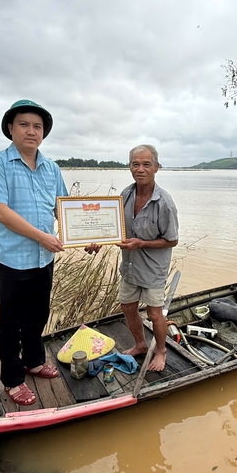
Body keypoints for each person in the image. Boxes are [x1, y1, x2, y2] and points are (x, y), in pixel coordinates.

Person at [0, 99, 68, 406]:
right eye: (24, 124)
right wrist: (43, 236)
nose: (31, 131)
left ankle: (34, 361)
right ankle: (13, 379)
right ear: (10, 128)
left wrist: (88, 236)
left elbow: (63, 210)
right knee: (10, 321)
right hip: (12, 258)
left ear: (43, 133)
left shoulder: (51, 168)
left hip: (44, 259)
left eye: (37, 126)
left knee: (38, 315)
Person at [87, 145, 179, 371]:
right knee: (127, 306)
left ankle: (160, 350)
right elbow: (113, 228)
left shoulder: (164, 203)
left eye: (146, 164)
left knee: (155, 313)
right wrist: (98, 239)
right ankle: (140, 344)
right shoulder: (124, 195)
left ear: (156, 167)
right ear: (129, 167)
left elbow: (172, 240)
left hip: (153, 268)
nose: (140, 169)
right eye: (135, 164)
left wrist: (142, 244)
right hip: (129, 266)